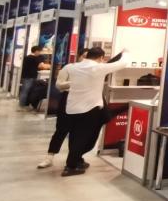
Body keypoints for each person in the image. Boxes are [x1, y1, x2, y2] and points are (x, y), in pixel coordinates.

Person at [49, 46, 124, 175]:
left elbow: (111, 63)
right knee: (77, 136)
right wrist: (76, 83)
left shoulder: (93, 68)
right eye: (84, 56)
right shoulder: (74, 68)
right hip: (81, 108)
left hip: (86, 108)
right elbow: (59, 85)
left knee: (81, 137)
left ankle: (76, 160)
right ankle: (70, 164)